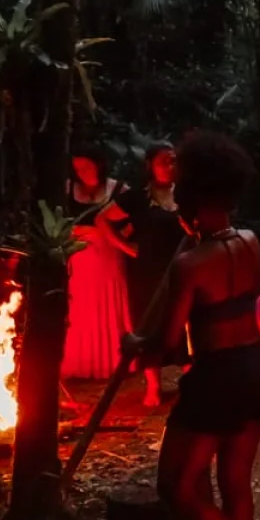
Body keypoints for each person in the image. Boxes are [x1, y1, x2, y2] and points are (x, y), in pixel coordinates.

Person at [122, 132, 260, 520]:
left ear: (191, 199)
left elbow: (168, 343)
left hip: (217, 378)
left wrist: (136, 344)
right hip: (257, 367)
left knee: (176, 486)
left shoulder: (189, 266)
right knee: (235, 484)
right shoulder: (251, 241)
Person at [98, 141, 188, 407]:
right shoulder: (137, 198)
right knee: (150, 324)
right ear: (150, 165)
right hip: (147, 271)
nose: (169, 166)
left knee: (186, 320)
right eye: (163, 161)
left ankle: (190, 380)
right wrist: (127, 248)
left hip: (183, 266)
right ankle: (153, 387)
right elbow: (102, 220)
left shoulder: (184, 195)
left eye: (173, 161)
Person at [62, 145, 131, 379]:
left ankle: (113, 362)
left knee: (109, 303)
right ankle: (80, 363)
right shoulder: (69, 189)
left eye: (86, 166)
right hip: (79, 257)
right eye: (77, 167)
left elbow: (133, 221)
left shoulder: (118, 190)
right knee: (81, 307)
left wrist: (119, 239)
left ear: (99, 164)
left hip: (108, 255)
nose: (81, 170)